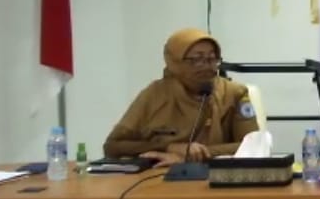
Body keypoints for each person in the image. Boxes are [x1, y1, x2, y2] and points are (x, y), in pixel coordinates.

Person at [103, 28, 259, 166]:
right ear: (174, 63)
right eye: (196, 60)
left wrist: (192, 155)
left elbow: (255, 146)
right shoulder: (154, 94)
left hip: (215, 176)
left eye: (212, 59)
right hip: (159, 178)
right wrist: (168, 147)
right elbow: (113, 146)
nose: (207, 66)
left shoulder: (234, 93)